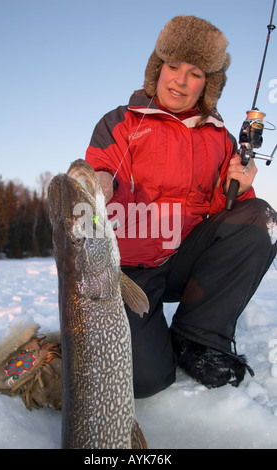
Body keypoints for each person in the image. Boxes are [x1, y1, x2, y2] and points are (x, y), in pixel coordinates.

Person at [85, 15, 277, 398]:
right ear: (157, 69)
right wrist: (99, 185)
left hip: (186, 259)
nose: (181, 80)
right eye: (173, 66)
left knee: (262, 221)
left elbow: (233, 219)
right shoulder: (120, 121)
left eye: (196, 73)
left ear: (209, 84)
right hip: (130, 269)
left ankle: (198, 340)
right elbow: (98, 171)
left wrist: (236, 188)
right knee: (145, 381)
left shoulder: (220, 137)